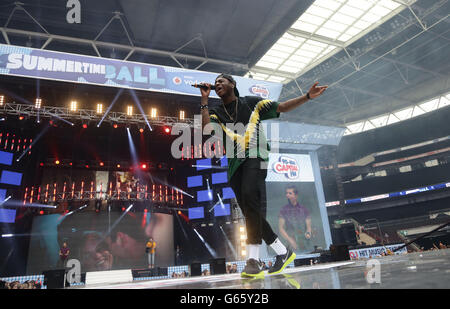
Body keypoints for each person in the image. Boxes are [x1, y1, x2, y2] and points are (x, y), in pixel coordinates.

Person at [199, 74, 327, 277]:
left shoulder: (251, 103)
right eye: (215, 83)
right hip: (234, 165)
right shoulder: (215, 112)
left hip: (256, 156)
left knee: (250, 197)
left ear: (232, 84)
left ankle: (253, 260)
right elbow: (206, 129)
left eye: (221, 81)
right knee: (251, 211)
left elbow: (282, 107)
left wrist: (307, 97)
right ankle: (282, 252)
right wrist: (204, 99)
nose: (217, 84)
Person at [278, 185, 313, 252]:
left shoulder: (304, 209)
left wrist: (308, 233)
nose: (287, 195)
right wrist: (290, 240)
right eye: (286, 193)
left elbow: (309, 227)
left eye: (290, 193)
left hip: (304, 242)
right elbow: (281, 228)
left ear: (296, 195)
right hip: (290, 242)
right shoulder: (283, 210)